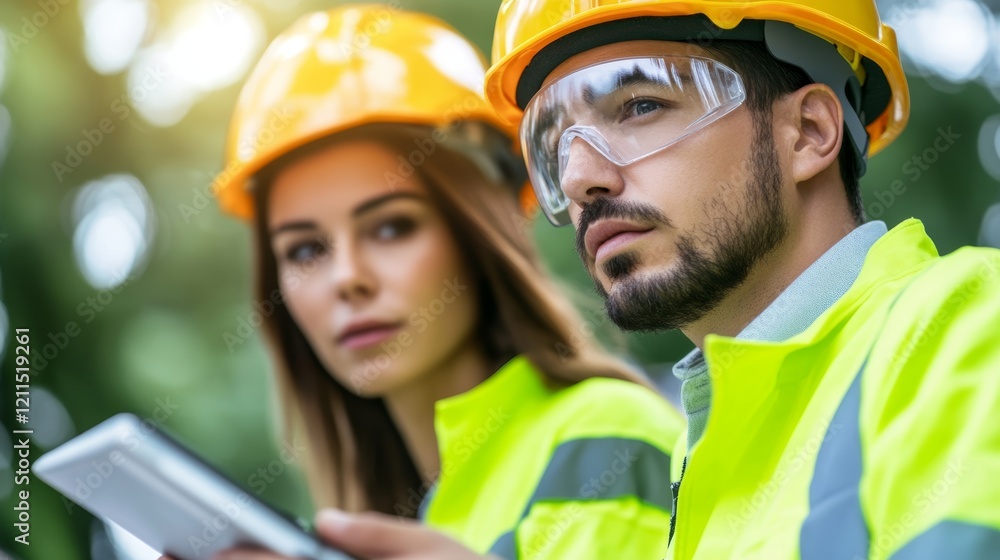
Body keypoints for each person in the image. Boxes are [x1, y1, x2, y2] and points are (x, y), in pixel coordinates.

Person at [301, 1, 1000, 559]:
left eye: (638, 106)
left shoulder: (970, 325)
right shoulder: (705, 454)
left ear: (809, 132)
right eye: (554, 143)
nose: (581, 177)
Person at [164, 5, 685, 560]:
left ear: (479, 230)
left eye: (391, 227)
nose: (348, 279)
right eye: (306, 250)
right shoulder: (366, 525)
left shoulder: (602, 439)